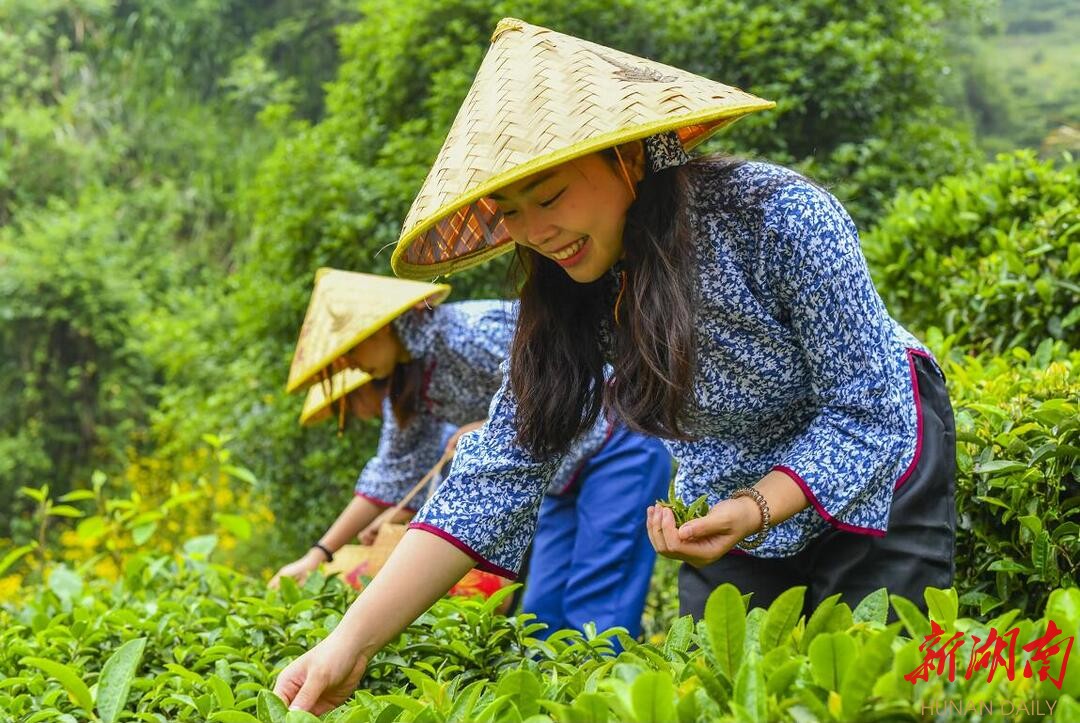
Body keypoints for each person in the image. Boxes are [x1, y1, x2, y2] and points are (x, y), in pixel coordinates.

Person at [274, 19, 955, 713]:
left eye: (549, 196)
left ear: (625, 159)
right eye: (509, 211)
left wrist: (758, 506)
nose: (535, 233)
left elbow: (866, 408)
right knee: (730, 691)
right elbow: (499, 467)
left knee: (880, 686)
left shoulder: (780, 216)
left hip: (878, 448)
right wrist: (348, 642)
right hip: (728, 479)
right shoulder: (571, 292)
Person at [273, 268, 671, 640]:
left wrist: (483, 428)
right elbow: (387, 476)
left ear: (384, 326)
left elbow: (571, 377)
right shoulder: (411, 383)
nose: (350, 363)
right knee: (541, 617)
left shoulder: (468, 332)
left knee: (597, 611)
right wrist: (318, 554)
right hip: (555, 475)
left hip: (614, 444)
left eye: (351, 347)